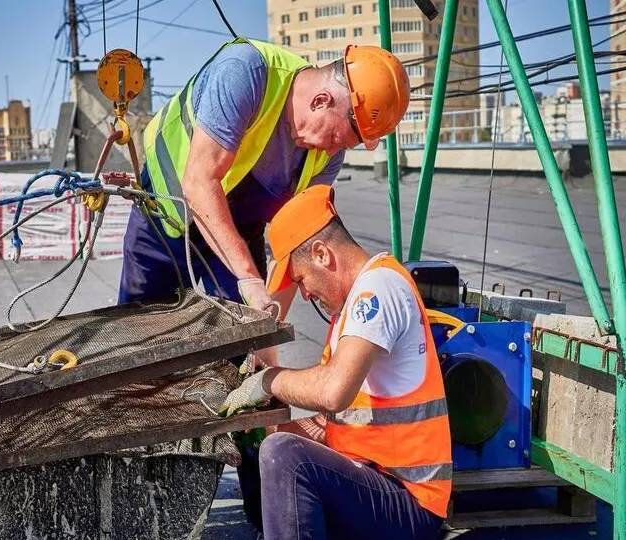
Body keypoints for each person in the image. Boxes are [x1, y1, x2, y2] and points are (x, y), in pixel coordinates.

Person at [116, 38, 409, 531]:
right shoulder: (247, 73)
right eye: (339, 136)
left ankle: (263, 506)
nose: (334, 149)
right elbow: (199, 182)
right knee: (136, 359)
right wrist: (248, 278)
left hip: (235, 233)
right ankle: (132, 498)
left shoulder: (322, 158)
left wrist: (268, 328)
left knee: (250, 367)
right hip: (162, 219)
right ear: (321, 101)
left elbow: (294, 241)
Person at [218, 184, 453, 540]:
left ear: (322, 254)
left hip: (410, 499)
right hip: (380, 482)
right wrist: (270, 429)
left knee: (284, 455)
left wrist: (267, 382)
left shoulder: (377, 291)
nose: (306, 292)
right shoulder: (354, 305)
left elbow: (333, 393)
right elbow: (345, 418)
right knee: (279, 444)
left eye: (300, 279)